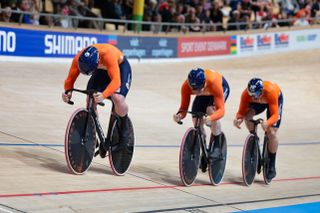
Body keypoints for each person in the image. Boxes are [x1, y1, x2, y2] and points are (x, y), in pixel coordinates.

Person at [62, 44, 132, 158]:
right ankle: (93, 134)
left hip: (120, 67)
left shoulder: (108, 55)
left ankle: (124, 132)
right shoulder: (79, 58)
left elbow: (116, 82)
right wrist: (67, 92)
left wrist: (104, 95)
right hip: (101, 69)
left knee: (117, 98)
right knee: (90, 96)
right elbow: (69, 80)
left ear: (98, 60)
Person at [173, 68, 230, 172]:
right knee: (196, 118)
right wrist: (179, 116)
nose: (196, 92)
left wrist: (211, 118)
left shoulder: (214, 82)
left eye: (198, 89)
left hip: (220, 88)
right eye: (194, 90)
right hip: (206, 92)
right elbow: (183, 109)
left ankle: (217, 146)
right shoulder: (186, 87)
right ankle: (203, 151)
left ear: (204, 83)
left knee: (210, 110)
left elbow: (221, 110)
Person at [233, 78, 283, 180]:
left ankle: (272, 165)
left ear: (261, 91)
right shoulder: (247, 94)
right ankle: (254, 139)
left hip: (273, 101)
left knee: (271, 132)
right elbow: (241, 111)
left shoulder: (270, 92)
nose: (253, 97)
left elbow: (275, 115)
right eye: (251, 95)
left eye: (255, 95)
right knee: (248, 118)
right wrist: (238, 119)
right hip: (259, 103)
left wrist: (267, 123)